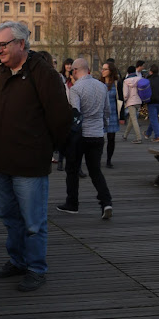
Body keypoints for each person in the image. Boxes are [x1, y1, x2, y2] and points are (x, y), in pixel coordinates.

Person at [0, 21, 71, 292]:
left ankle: (35, 268)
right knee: (9, 216)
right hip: (2, 158)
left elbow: (60, 117)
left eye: (3, 44)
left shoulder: (43, 72)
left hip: (29, 162)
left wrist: (44, 146)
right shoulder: (3, 72)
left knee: (33, 222)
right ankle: (17, 261)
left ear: (21, 43)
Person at [56, 58, 113, 220]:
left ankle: (72, 203)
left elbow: (76, 113)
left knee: (72, 169)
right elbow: (107, 111)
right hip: (97, 135)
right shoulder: (102, 86)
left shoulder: (76, 89)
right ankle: (106, 202)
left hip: (81, 136)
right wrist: (104, 127)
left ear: (75, 71)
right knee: (95, 171)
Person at [99, 62, 120, 167]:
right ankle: (97, 158)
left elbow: (120, 99)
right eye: (102, 69)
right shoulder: (99, 83)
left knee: (111, 138)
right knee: (99, 138)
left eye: (105, 69)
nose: (102, 71)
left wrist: (123, 116)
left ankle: (108, 160)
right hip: (101, 114)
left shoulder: (116, 84)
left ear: (110, 71)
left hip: (113, 113)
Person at [122, 66, 142, 143]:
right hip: (138, 101)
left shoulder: (126, 81)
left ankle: (138, 138)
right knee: (131, 119)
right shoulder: (140, 79)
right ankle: (125, 135)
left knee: (134, 119)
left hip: (131, 102)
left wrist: (124, 101)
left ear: (128, 72)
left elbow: (125, 94)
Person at [144, 64, 159, 141]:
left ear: (151, 72)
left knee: (153, 119)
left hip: (152, 101)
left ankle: (157, 136)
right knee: (154, 118)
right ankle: (148, 133)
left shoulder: (148, 81)